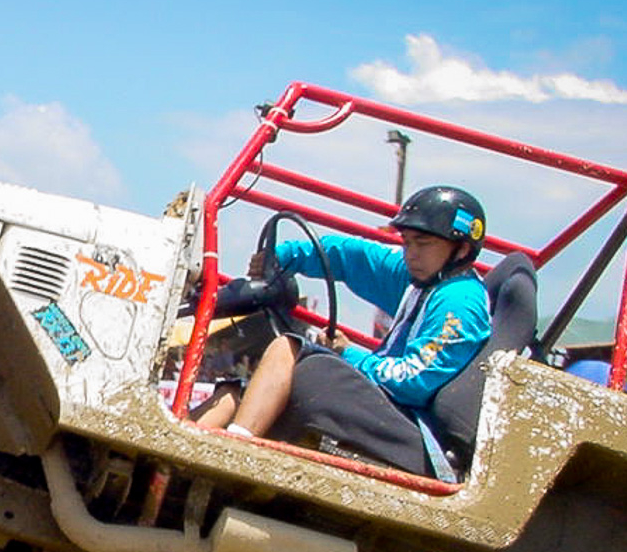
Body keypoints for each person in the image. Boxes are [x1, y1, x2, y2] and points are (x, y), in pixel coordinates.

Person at [196, 186, 491, 475]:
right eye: (407, 242)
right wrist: (285, 256)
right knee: (234, 392)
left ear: (462, 249)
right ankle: (175, 450)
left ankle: (231, 458)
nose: (410, 254)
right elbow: (351, 257)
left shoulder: (460, 300)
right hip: (390, 409)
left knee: (290, 349)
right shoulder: (420, 278)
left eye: (423, 244)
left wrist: (347, 353)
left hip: (415, 432)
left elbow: (411, 380)